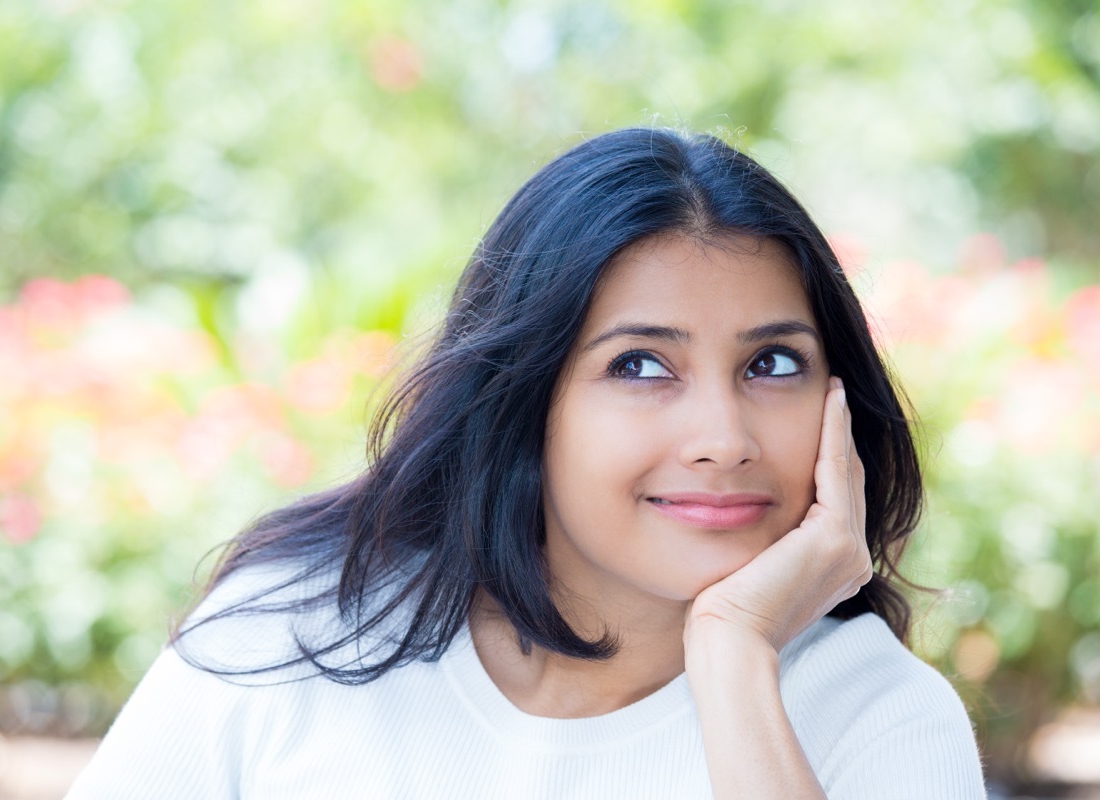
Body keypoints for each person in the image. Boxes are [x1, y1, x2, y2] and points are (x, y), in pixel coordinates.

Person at [66, 127, 986, 798]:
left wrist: (738, 662)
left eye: (772, 363)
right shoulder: (287, 643)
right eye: (640, 365)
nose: (725, 435)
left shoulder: (880, 712)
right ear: (525, 399)